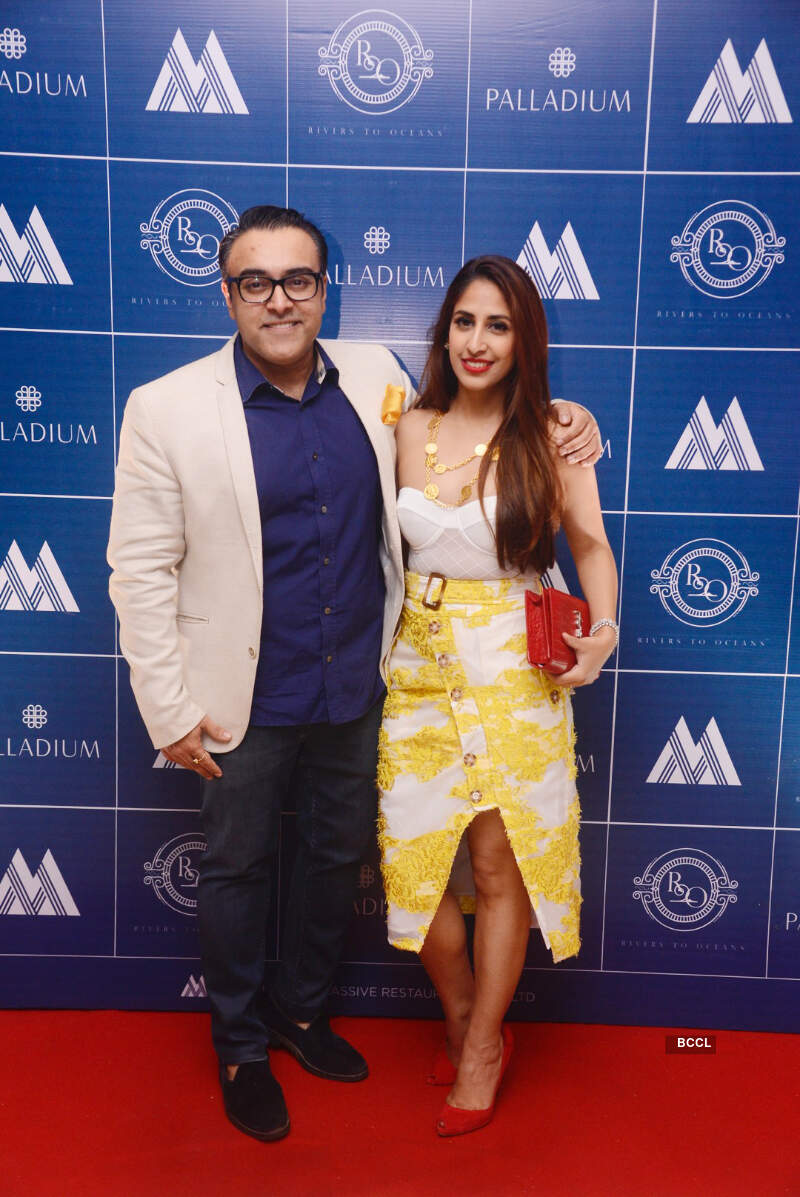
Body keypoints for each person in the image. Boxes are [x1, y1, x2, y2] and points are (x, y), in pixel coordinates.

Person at [107, 207, 602, 1143]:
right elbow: (138, 572)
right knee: (239, 868)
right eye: (256, 281)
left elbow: (485, 422)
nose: (279, 299)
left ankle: (301, 1013)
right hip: (239, 697)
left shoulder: (376, 379)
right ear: (228, 293)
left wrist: (570, 417)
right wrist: (167, 707)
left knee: (336, 862)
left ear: (324, 289)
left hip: (363, 686)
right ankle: (241, 1047)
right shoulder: (165, 407)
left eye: (297, 279)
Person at [378, 255, 618, 1137]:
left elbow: (588, 545)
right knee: (411, 863)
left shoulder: (552, 434)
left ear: (524, 342)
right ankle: (462, 1013)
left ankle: (480, 1046)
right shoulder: (409, 425)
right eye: (465, 321)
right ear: (445, 330)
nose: (478, 341)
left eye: (500, 325)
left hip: (515, 671)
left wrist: (605, 627)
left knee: (495, 864)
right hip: (418, 669)